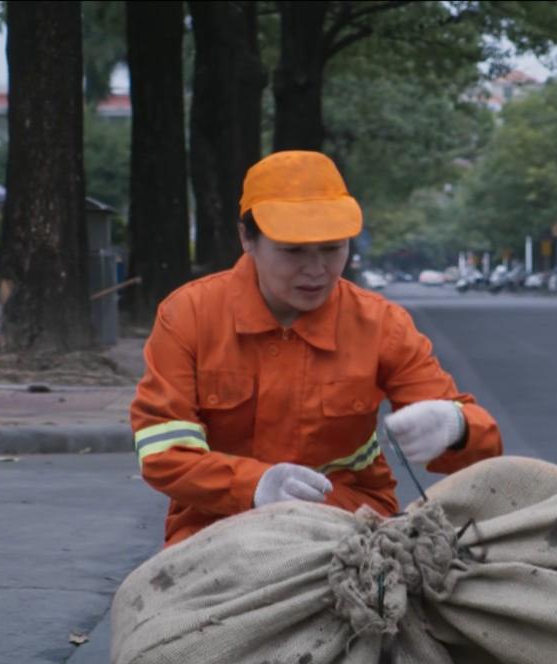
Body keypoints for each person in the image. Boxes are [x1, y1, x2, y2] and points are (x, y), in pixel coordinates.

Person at [130, 151, 504, 547]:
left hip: (349, 521)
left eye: (332, 249)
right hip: (216, 524)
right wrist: (254, 486)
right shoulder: (189, 316)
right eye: (293, 251)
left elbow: (485, 451)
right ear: (246, 239)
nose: (316, 270)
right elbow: (163, 452)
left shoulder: (381, 326)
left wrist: (456, 427)